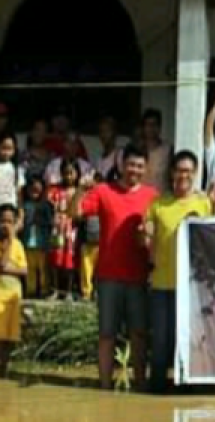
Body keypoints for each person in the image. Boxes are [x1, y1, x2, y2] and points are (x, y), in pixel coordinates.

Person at [71, 145, 159, 390]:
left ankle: (141, 384)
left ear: (146, 169)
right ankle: (104, 387)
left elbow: (158, 233)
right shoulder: (103, 191)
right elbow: (75, 213)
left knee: (140, 334)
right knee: (106, 335)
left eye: (140, 166)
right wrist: (80, 190)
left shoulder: (153, 196)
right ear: (121, 165)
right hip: (108, 276)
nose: (135, 170)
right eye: (131, 165)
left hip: (139, 276)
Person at [143, 151, 215, 393]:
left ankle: (189, 391)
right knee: (161, 342)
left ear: (195, 174)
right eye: (179, 170)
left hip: (194, 289)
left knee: (192, 342)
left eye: (188, 171)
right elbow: (144, 238)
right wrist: (145, 234)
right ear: (172, 173)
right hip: (163, 284)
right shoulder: (157, 204)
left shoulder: (205, 204)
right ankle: (156, 395)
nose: (183, 175)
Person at [0, 204, 27, 379]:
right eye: (3, 221)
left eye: (10, 221)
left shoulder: (19, 245)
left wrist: (10, 267)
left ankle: (1, 376)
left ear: (15, 222)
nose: (6, 225)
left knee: (9, 342)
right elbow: (0, 265)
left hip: (14, 300)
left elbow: (25, 271)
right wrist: (10, 241)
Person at [48, 160, 81, 299]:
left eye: (71, 173)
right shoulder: (55, 191)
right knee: (56, 258)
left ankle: (68, 291)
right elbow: (51, 206)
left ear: (77, 174)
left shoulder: (79, 191)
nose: (68, 176)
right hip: (57, 228)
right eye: (65, 173)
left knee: (70, 260)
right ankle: (55, 289)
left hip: (71, 229)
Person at [20, 176, 52, 298]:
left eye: (38, 189)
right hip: (28, 242)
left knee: (43, 268)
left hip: (42, 242)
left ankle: (44, 290)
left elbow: (50, 222)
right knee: (30, 268)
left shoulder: (46, 205)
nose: (35, 192)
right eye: (32, 189)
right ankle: (31, 290)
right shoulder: (25, 205)